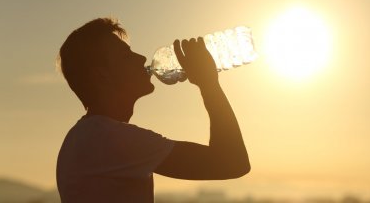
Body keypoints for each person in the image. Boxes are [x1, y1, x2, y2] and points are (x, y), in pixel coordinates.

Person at [56, 18, 250, 203]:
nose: (141, 58)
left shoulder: (86, 136)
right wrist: (208, 83)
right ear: (102, 75)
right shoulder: (106, 138)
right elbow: (232, 162)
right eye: (126, 56)